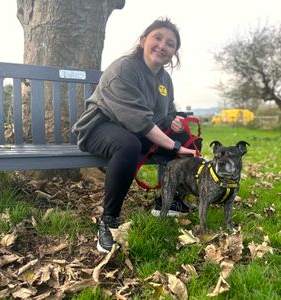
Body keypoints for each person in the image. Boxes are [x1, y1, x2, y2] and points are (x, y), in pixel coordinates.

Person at [72, 17, 201, 253]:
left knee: (192, 142)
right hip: (101, 127)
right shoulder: (124, 69)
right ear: (143, 41)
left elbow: (166, 111)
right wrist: (173, 146)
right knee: (129, 145)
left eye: (170, 44)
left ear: (174, 52)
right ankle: (109, 221)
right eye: (158, 38)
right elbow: (139, 120)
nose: (163, 46)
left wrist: (175, 122)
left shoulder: (165, 79)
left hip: (138, 129)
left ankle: (168, 200)